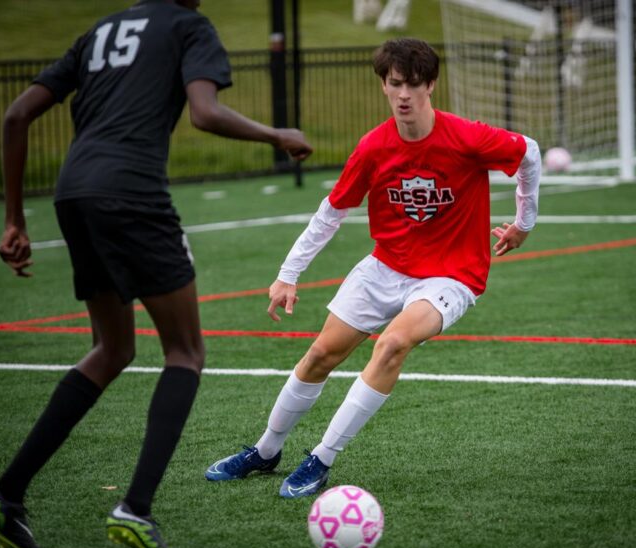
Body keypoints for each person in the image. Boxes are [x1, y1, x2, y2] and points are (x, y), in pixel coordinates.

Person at [0, 1, 312, 548]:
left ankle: (5, 493)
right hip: (132, 193)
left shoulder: (101, 30)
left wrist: (15, 220)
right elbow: (204, 113)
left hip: (72, 194)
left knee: (112, 349)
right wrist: (276, 133)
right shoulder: (189, 26)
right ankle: (135, 508)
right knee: (185, 351)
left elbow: (15, 116)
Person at [205, 38, 540, 499]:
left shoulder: (466, 137)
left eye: (414, 84)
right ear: (384, 85)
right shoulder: (373, 148)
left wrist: (523, 223)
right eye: (395, 83)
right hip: (385, 267)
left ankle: (321, 458)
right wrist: (288, 274)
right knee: (321, 355)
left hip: (451, 275)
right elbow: (331, 212)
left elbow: (530, 153)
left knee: (392, 344)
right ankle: (265, 451)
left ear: (431, 86)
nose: (404, 94)